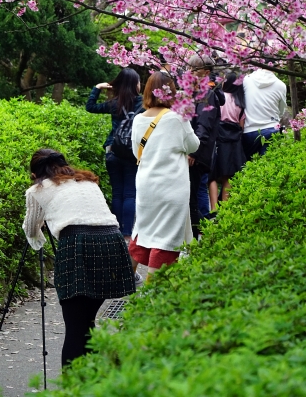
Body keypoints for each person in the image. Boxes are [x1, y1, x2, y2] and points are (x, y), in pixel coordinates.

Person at [22, 149, 135, 367]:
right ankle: (91, 377)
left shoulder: (37, 190)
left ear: (36, 174)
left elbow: (31, 230)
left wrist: (41, 236)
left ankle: (74, 387)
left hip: (77, 244)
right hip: (112, 242)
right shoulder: (87, 181)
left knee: (75, 327)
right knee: (86, 321)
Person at [129, 72, 200, 280]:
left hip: (146, 186)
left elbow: (137, 153)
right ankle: (151, 296)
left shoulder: (137, 119)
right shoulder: (177, 117)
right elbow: (193, 144)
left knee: (143, 230)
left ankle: (123, 282)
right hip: (171, 186)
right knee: (165, 239)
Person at [85, 68, 143, 246]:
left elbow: (90, 107)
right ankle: (127, 234)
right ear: (135, 85)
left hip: (113, 150)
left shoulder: (114, 103)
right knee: (130, 193)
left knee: (117, 192)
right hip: (133, 151)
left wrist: (97, 88)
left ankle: (115, 230)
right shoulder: (142, 103)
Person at [187, 55, 225, 238]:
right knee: (190, 197)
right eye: (189, 68)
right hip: (194, 151)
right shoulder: (197, 92)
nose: (191, 72)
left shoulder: (207, 95)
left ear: (207, 73)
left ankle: (208, 235)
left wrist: (193, 152)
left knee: (192, 198)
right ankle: (199, 236)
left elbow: (204, 126)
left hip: (197, 154)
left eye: (195, 70)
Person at [214, 71, 247, 202]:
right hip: (234, 140)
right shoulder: (240, 101)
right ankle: (226, 208)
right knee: (229, 176)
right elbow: (242, 125)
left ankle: (213, 209)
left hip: (219, 138)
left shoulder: (219, 97)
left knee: (214, 175)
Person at [242, 68, 287, 160]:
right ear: (277, 66)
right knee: (269, 165)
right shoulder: (281, 85)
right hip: (272, 128)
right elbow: (281, 110)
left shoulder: (246, 80)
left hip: (249, 130)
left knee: (247, 167)